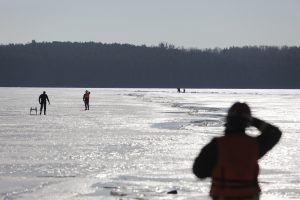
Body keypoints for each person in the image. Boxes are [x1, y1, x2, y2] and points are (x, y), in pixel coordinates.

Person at [193, 102, 282, 200]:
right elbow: (275, 133)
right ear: (247, 122)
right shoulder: (254, 145)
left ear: (228, 120)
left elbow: (199, 171)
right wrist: (253, 121)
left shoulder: (216, 146)